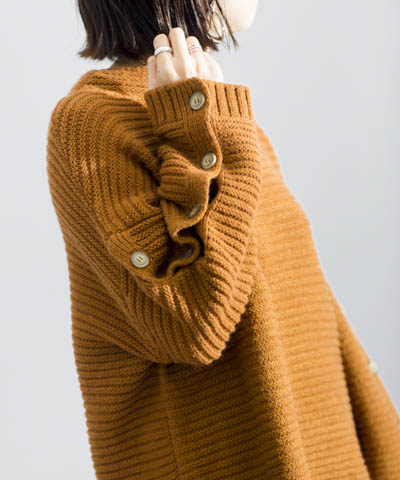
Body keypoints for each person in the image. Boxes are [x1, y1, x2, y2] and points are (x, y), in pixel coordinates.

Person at [46, 1, 400, 478]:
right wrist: (199, 130)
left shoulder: (223, 119)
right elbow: (193, 325)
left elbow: (308, 319)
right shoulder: (91, 121)